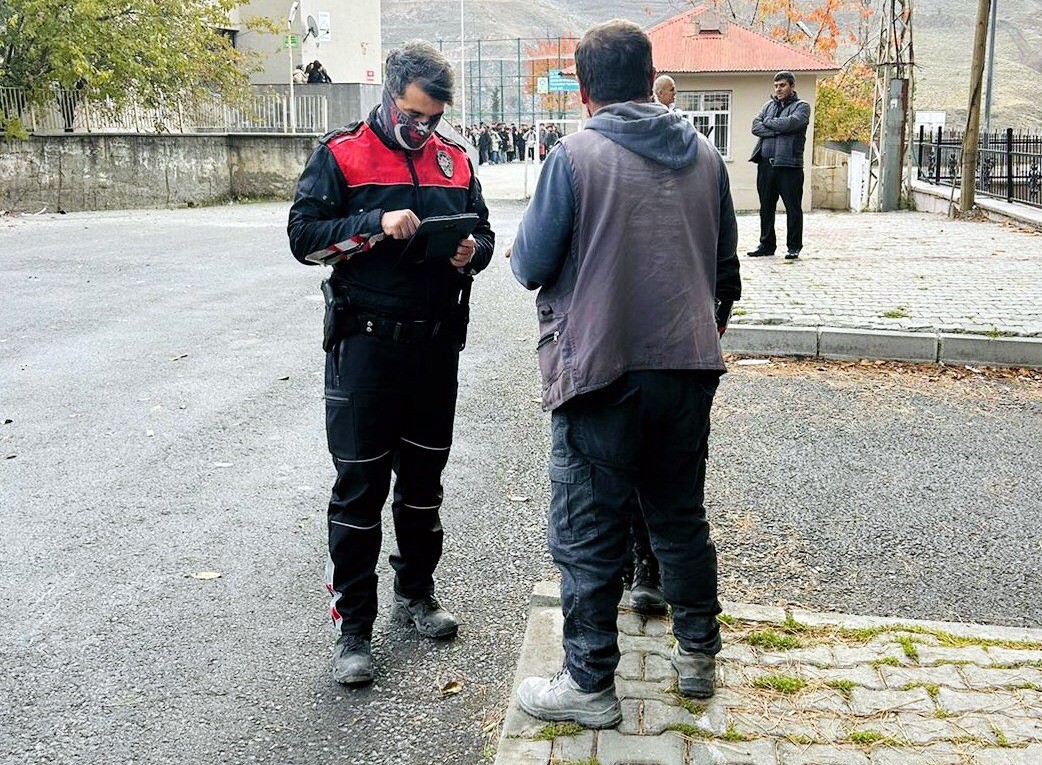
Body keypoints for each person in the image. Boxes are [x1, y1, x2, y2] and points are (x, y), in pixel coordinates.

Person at [507, 19, 741, 728]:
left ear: (582, 88)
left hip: (602, 371)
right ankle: (697, 654)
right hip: (688, 366)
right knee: (678, 517)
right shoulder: (707, 156)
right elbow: (727, 273)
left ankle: (589, 684)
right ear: (650, 78)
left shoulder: (573, 157)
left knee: (586, 530)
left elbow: (528, 265)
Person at [286, 41, 495, 686]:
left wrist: (471, 254)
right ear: (389, 95)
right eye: (413, 117)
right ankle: (354, 626)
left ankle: (417, 593)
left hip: (433, 347)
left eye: (433, 119)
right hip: (365, 347)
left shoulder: (454, 159)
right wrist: (376, 222)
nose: (423, 130)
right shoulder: (341, 153)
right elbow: (303, 239)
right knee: (360, 486)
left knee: (424, 483)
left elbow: (485, 233)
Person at [748, 71, 810, 260]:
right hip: (766, 165)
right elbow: (755, 127)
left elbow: (792, 123)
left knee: (793, 208)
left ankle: (793, 247)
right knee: (766, 207)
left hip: (789, 166)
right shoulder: (768, 106)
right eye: (775, 86)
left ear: (792, 86)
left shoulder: (802, 107)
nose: (778, 89)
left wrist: (770, 125)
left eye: (782, 85)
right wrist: (778, 129)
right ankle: (766, 244)